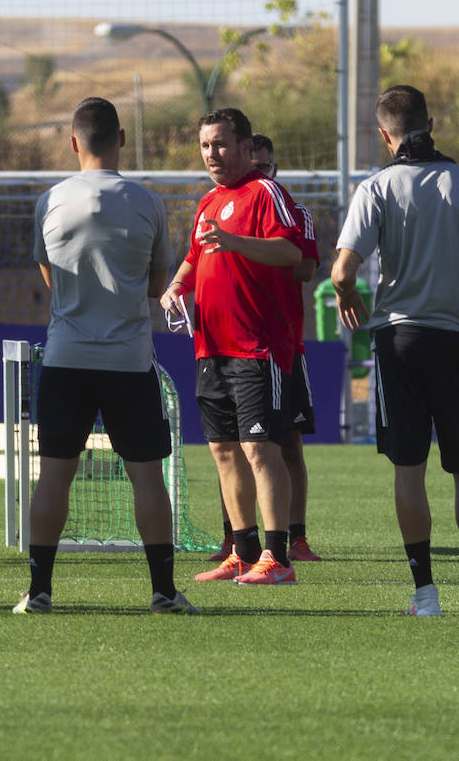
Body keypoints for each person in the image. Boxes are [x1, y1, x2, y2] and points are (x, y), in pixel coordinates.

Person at [332, 84, 459, 616]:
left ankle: (424, 596)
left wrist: (349, 295)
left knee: (409, 468)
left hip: (399, 340)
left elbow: (342, 271)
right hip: (455, 339)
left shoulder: (377, 187)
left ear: (383, 134)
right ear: (431, 122)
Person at [15, 96, 197, 615]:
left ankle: (39, 591)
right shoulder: (147, 202)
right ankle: (163, 591)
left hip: (66, 358)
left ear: (73, 142)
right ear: (121, 139)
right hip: (129, 361)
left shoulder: (48, 201)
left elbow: (49, 278)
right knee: (146, 474)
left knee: (54, 475)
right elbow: (154, 286)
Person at [162, 109, 302, 588]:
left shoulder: (266, 193)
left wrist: (236, 241)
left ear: (245, 147)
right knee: (223, 451)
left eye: (220, 144)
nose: (212, 154)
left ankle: (277, 557)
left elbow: (292, 253)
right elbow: (192, 259)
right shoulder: (206, 202)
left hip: (257, 347)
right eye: (205, 146)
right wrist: (175, 288)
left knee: (261, 449)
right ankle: (241, 553)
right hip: (210, 348)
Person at [251, 133, 324, 563]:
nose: (262, 174)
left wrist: (254, 250)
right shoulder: (228, 210)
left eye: (267, 167)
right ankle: (236, 538)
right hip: (241, 347)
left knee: (290, 446)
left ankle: (297, 537)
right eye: (255, 167)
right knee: (240, 448)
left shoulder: (297, 213)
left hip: (285, 346)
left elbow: (306, 266)